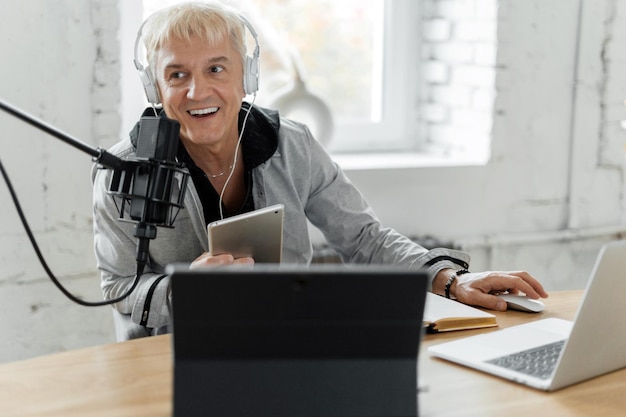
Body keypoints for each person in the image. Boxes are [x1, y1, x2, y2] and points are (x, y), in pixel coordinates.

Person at [92, 1, 548, 341]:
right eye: (176, 75)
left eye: (216, 68)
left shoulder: (292, 145)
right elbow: (117, 286)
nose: (198, 90)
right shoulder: (123, 170)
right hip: (166, 363)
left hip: (286, 348)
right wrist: (183, 291)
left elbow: (364, 238)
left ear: (245, 77)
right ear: (155, 85)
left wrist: (450, 279)